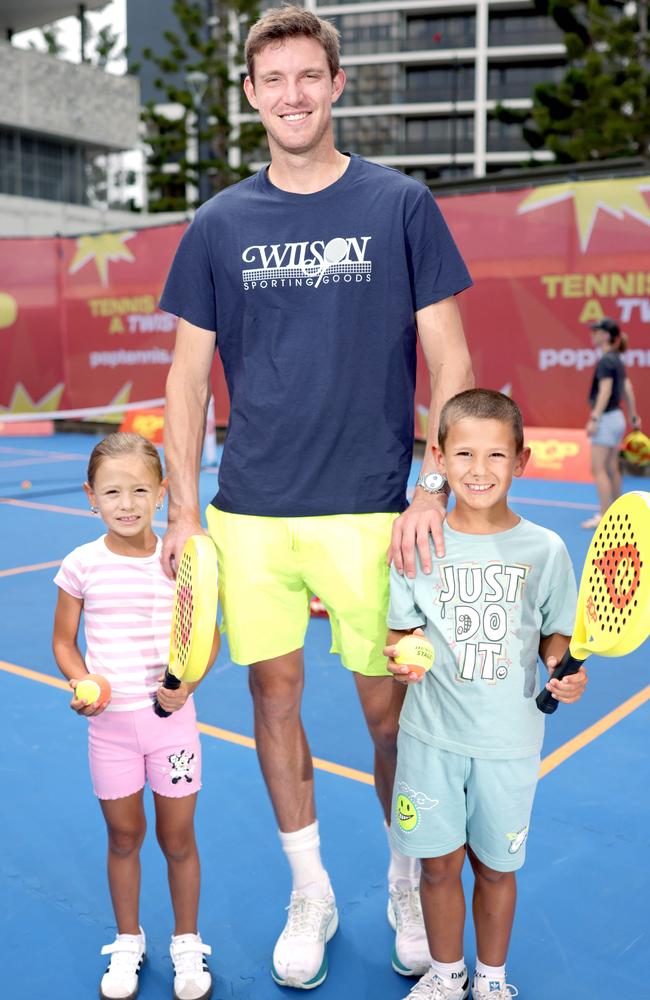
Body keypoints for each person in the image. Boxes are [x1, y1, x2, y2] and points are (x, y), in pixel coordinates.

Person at [159, 4, 474, 989]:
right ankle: (311, 889)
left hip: (373, 508)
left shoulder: (398, 205)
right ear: (250, 95)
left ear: (336, 86)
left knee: (390, 716)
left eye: (308, 76)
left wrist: (432, 481)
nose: (291, 95)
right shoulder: (217, 224)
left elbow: (450, 355)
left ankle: (401, 879)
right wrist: (179, 509)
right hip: (250, 511)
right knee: (273, 696)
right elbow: (181, 381)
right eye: (272, 80)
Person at [385, 389, 588, 1000]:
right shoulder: (414, 543)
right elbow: (400, 630)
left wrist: (563, 668)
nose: (479, 470)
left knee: (496, 870)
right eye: (464, 454)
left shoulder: (545, 549)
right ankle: (446, 975)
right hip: (430, 740)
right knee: (439, 867)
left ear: (521, 460)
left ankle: (492, 980)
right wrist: (403, 658)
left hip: (509, 743)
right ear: (439, 459)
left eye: (496, 456)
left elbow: (557, 634)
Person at [52, 432, 219, 1000]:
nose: (127, 504)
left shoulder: (182, 560)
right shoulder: (80, 565)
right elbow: (63, 642)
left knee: (178, 839)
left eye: (140, 490)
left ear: (163, 494)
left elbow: (206, 635)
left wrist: (187, 685)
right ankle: (128, 939)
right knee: (124, 837)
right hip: (110, 730)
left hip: (172, 725)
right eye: (113, 492)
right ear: (90, 497)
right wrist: (81, 683)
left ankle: (187, 941)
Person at [581, 317, 641, 530]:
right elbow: (628, 388)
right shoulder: (617, 358)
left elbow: (606, 391)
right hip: (618, 418)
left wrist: (594, 418)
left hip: (606, 418)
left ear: (606, 335)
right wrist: (633, 415)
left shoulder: (607, 360)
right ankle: (617, 513)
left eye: (596, 331)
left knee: (598, 469)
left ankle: (605, 515)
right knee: (611, 467)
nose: (592, 334)